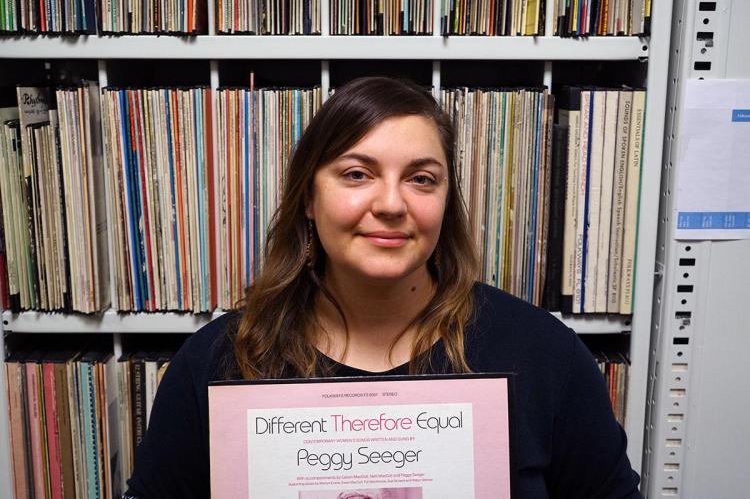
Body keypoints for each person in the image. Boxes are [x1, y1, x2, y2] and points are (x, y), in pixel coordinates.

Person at [124, 77, 643, 498]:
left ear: (445, 199)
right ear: (308, 197)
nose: (392, 204)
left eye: (421, 179)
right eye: (356, 174)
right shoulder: (217, 359)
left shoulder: (541, 351)